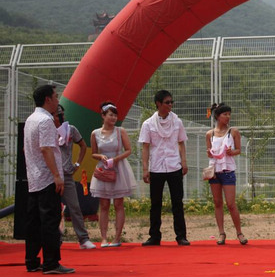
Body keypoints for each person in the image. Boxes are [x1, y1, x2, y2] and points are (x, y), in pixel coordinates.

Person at [23, 85, 75, 274]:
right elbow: (46, 149)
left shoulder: (30, 119)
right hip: (47, 178)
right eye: (55, 97)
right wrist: (56, 175)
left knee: (34, 222)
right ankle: (51, 263)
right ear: (47, 99)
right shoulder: (45, 120)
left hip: (34, 177)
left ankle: (31, 260)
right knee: (50, 221)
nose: (57, 101)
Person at [140, 90, 190, 246]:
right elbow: (145, 147)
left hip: (174, 165)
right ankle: (154, 236)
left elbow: (181, 142)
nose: (170, 105)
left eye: (171, 102)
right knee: (155, 203)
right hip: (156, 167)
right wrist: (145, 169)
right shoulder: (148, 124)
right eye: (167, 102)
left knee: (177, 202)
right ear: (158, 103)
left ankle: (181, 236)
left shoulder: (177, 121)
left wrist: (184, 162)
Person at [89, 102, 136, 247]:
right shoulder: (95, 133)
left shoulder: (120, 131)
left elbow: (128, 150)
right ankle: (103, 238)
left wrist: (115, 159)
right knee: (104, 204)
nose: (113, 118)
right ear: (103, 116)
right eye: (110, 115)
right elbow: (93, 153)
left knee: (118, 203)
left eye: (115, 115)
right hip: (103, 168)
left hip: (118, 167)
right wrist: (101, 157)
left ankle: (117, 237)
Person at [53, 105, 96, 249]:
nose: (60, 117)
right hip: (51, 175)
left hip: (67, 174)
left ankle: (83, 239)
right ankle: (54, 238)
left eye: (62, 114)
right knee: (52, 208)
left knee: (74, 206)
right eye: (57, 115)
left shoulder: (70, 129)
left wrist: (77, 163)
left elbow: (83, 145)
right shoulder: (47, 129)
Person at [205, 103, 248, 245]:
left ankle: (239, 232)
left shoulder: (233, 131)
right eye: (225, 114)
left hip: (228, 170)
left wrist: (231, 152)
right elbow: (209, 153)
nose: (228, 117)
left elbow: (238, 150)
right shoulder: (209, 134)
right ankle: (221, 233)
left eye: (229, 114)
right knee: (217, 202)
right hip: (214, 171)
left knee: (230, 203)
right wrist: (209, 153)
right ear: (218, 116)